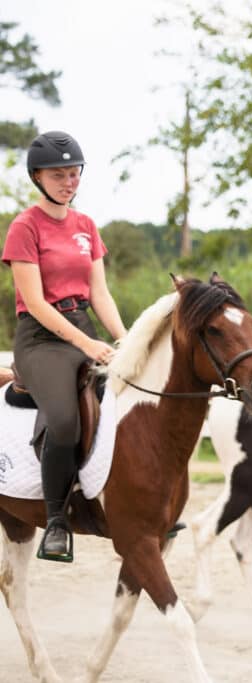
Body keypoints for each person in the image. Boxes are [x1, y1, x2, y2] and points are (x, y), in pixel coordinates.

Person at [2, 131, 127, 562]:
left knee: (130, 404)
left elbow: (100, 294)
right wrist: (86, 343)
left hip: (82, 325)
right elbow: (34, 302)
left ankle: (138, 507)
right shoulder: (24, 227)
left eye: (75, 173)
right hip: (40, 340)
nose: (69, 181)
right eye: (59, 174)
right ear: (38, 176)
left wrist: (126, 341)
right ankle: (57, 521)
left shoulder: (86, 226)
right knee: (63, 420)